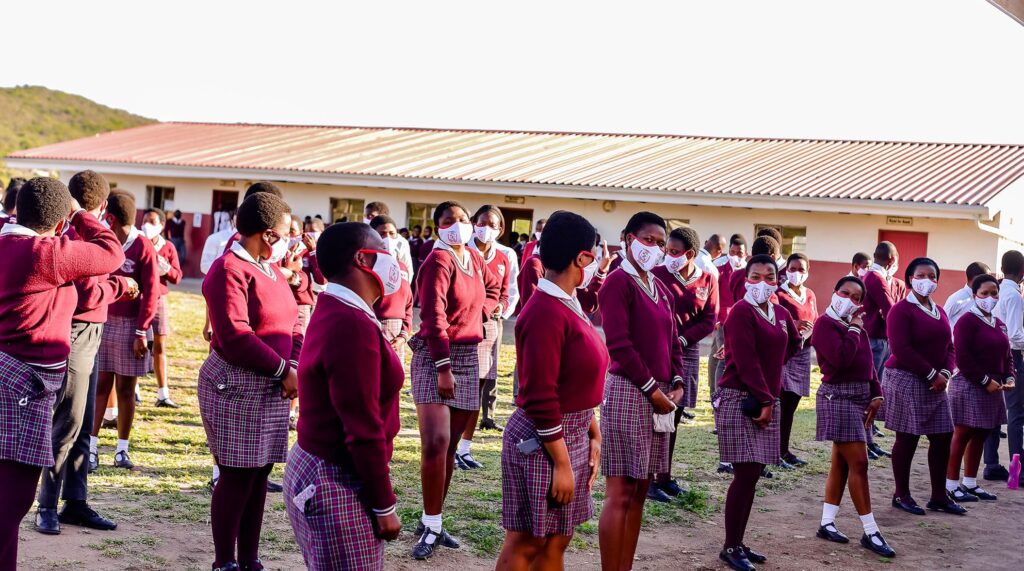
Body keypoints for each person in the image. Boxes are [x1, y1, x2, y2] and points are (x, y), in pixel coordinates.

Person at [0, 177, 123, 569]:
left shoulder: (7, 242)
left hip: (16, 378)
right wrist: (83, 215)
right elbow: (110, 251)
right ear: (58, 224)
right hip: (24, 385)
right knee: (13, 499)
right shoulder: (44, 253)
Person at [283, 222, 403, 570]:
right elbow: (362, 427)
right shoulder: (351, 323)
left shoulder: (339, 307)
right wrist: (384, 504)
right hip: (335, 477)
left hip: (320, 466)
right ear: (364, 259)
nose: (390, 256)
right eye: (383, 249)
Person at [495, 211, 606, 571]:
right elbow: (542, 397)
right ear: (582, 258)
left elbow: (572, 378)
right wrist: (560, 463)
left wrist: (592, 430)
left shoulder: (569, 301)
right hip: (544, 442)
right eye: (595, 254)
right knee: (529, 540)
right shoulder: (544, 311)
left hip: (570, 433)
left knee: (558, 537)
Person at [199, 192, 302, 571]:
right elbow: (236, 336)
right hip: (237, 384)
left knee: (259, 474)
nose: (292, 241)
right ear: (270, 236)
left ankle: (250, 560)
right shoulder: (228, 270)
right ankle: (224, 562)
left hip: (272, 383)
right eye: (286, 233)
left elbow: (292, 322)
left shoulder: (271, 270)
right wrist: (284, 370)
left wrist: (292, 362)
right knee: (238, 475)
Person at [36, 171, 130, 536]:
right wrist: (122, 286)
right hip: (76, 333)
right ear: (102, 207)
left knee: (85, 423)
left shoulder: (76, 230)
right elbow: (89, 294)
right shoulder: (79, 233)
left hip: (91, 334)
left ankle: (75, 500)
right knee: (68, 422)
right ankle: (46, 505)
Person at [409, 201, 501, 560]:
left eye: (463, 220)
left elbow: (494, 288)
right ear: (437, 228)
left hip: (469, 355)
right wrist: (443, 366)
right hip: (437, 356)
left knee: (448, 450)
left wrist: (485, 312)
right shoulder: (438, 260)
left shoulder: (475, 259)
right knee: (436, 442)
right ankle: (432, 525)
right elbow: (432, 315)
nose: (460, 226)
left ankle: (432, 518)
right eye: (450, 221)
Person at [597, 212, 686, 571]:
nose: (655, 248)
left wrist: (678, 381)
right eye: (647, 240)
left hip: (661, 397)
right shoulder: (617, 283)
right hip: (631, 392)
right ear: (628, 238)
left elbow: (673, 341)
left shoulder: (661, 288)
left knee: (639, 493)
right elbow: (619, 344)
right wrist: (653, 391)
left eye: (660, 243)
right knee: (620, 492)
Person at [715, 254, 801, 571]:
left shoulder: (779, 313)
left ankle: (737, 542)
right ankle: (730, 546)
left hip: (765, 398)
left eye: (769, 276)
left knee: (752, 476)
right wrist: (766, 399)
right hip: (742, 398)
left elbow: (793, 343)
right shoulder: (740, 312)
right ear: (745, 279)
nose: (762, 282)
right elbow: (747, 361)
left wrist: (770, 388)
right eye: (755, 276)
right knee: (744, 475)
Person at [810, 276, 894, 557]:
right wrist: (856, 329)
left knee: (842, 463)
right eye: (845, 293)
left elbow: (869, 363)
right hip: (838, 397)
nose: (850, 300)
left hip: (860, 397)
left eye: (857, 298)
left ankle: (826, 522)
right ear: (834, 292)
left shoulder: (855, 327)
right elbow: (841, 359)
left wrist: (877, 392)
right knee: (859, 462)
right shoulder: (826, 324)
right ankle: (871, 531)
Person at [881, 257, 964, 516]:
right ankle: (901, 494)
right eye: (921, 275)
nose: (927, 280)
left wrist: (945, 372)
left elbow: (950, 346)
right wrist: (931, 374)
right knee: (908, 437)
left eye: (932, 276)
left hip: (936, 382)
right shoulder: (901, 310)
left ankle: (939, 495)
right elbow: (900, 348)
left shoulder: (939, 311)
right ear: (910, 279)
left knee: (942, 436)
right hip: (906, 378)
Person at [90, 192, 159, 470]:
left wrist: (142, 331)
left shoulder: (142, 245)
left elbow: (152, 291)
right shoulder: (103, 242)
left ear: (110, 218)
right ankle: (91, 447)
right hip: (104, 320)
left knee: (127, 389)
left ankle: (121, 450)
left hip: (132, 327)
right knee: (100, 385)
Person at [650, 226, 718, 500]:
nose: (669, 255)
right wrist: (668, 339)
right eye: (668, 250)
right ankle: (651, 477)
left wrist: (683, 339)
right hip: (658, 350)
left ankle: (665, 476)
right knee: (657, 413)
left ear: (690, 255)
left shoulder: (707, 280)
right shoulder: (657, 275)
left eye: (675, 252)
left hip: (686, 351)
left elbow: (709, 319)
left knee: (675, 414)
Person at [946, 274, 1014, 505]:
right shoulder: (967, 320)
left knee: (982, 433)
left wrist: (1009, 376)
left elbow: (1007, 356)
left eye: (994, 293)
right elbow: (962, 357)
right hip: (969, 384)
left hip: (993, 387)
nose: (990, 298)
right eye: (984, 293)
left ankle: (970, 482)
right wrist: (985, 380)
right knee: (963, 434)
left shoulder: (998, 323)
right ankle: (951, 485)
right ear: (975, 295)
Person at [457, 205, 513, 469]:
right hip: (462, 326)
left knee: (479, 387)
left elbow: (505, 292)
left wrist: (501, 306)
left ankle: (465, 449)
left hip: (489, 325)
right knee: (458, 388)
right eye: (482, 223)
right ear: (473, 223)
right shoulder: (459, 250)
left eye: (492, 224)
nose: (486, 228)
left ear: (500, 229)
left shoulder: (504, 257)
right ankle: (451, 445)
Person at [861, 241, 904, 458]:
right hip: (874, 339)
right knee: (871, 389)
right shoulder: (875, 277)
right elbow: (891, 308)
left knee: (876, 389)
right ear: (892, 260)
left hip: (881, 338)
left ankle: (869, 439)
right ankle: (864, 440)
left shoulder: (881, 278)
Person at [985, 250, 1024, 484]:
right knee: (1016, 414)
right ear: (1022, 272)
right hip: (1012, 357)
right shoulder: (1015, 296)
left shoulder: (995, 292)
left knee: (995, 412)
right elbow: (1016, 335)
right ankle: (1016, 471)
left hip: (992, 356)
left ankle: (991, 464)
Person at [775, 253, 818, 468]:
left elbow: (815, 318)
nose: (796, 273)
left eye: (801, 269)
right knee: (780, 403)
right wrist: (795, 323)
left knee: (792, 404)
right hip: (785, 353)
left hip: (803, 354)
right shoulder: (779, 294)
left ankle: (784, 449)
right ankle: (775, 451)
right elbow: (776, 319)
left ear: (808, 270)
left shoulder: (809, 294)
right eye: (792, 268)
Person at [141, 208, 183, 408]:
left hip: (158, 299)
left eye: (152, 221)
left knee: (159, 345)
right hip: (138, 298)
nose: (147, 225)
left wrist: (165, 267)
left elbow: (177, 277)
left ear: (161, 225)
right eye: (144, 221)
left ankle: (163, 393)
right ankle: (134, 390)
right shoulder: (138, 243)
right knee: (138, 344)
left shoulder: (168, 247)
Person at [369, 215, 414, 361]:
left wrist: (403, 335)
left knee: (393, 380)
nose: (387, 238)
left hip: (396, 335)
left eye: (392, 234)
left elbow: (408, 303)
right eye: (382, 234)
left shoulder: (401, 267)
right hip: (371, 329)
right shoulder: (364, 266)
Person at [709, 234, 747, 394]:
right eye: (732, 252)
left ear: (745, 254)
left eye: (740, 253)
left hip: (739, 320)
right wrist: (715, 317)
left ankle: (714, 392)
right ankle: (717, 394)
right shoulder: (719, 268)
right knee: (722, 356)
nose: (736, 256)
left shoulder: (749, 272)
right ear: (728, 252)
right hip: (723, 320)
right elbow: (713, 294)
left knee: (714, 355)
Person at [364, 201, 414, 281]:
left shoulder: (401, 242)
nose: (368, 219)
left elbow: (408, 271)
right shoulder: (362, 238)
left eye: (372, 216)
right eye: (367, 216)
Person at [943, 262, 993, 330]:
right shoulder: (957, 298)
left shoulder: (987, 298)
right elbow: (941, 322)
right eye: (987, 279)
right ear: (977, 279)